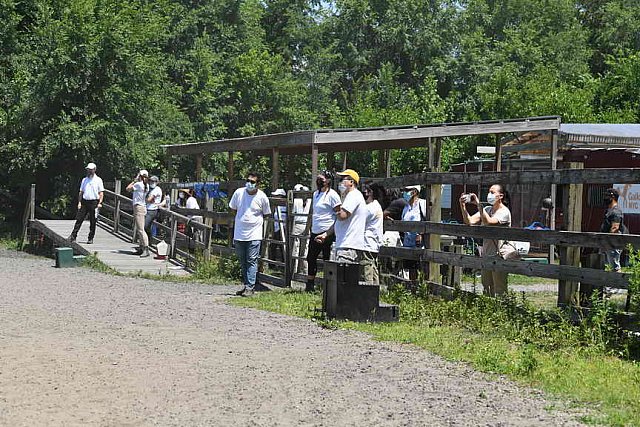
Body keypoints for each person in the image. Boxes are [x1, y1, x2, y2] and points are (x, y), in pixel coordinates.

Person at [460, 184, 512, 296]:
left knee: (500, 288)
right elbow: (469, 221)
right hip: (487, 254)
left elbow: (489, 222)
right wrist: (463, 206)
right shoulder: (487, 209)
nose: (489, 194)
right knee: (487, 287)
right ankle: (490, 310)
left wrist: (478, 204)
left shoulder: (504, 212)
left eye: (492, 192)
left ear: (501, 196)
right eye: (489, 192)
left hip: (500, 255)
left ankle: (503, 311)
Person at [229, 172, 271, 296]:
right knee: (243, 261)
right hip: (239, 233)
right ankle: (246, 284)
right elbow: (233, 208)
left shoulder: (262, 197)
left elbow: (267, 213)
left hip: (254, 233)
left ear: (258, 184)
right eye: (248, 180)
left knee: (251, 260)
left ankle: (250, 287)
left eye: (252, 182)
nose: (249, 183)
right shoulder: (238, 193)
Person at [306, 171, 341, 292]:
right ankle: (310, 285)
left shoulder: (333, 195)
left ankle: (328, 287)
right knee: (311, 257)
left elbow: (338, 214)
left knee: (327, 259)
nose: (319, 181)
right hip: (315, 231)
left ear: (328, 181)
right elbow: (313, 212)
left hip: (328, 231)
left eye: (322, 179)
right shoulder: (315, 194)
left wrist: (329, 233)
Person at [332, 169, 367, 264]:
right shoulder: (351, 196)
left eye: (343, 179)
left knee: (343, 278)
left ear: (351, 182)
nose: (340, 183)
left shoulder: (353, 195)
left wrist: (334, 207)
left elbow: (342, 215)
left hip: (348, 246)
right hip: (346, 245)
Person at [68, 162, 104, 244]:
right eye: (88, 170)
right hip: (85, 202)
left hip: (94, 202)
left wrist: (100, 203)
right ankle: (73, 236)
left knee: (93, 221)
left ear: (94, 170)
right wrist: (79, 202)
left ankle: (90, 238)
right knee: (79, 219)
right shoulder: (84, 180)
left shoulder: (98, 180)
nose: (89, 171)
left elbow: (101, 193)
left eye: (91, 170)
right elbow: (81, 192)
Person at [400, 185, 428, 280]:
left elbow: (428, 221)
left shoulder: (422, 204)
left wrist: (420, 234)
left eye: (407, 190)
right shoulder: (406, 207)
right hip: (407, 243)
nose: (405, 193)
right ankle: (413, 289)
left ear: (415, 192)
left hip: (420, 243)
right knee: (411, 269)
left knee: (422, 269)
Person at [362, 182, 385, 284]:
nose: (364, 192)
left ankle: (368, 292)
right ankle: (375, 292)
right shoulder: (377, 206)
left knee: (367, 269)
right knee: (373, 267)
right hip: (374, 242)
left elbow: (359, 220)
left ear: (371, 192)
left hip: (368, 242)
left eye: (366, 190)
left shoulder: (370, 208)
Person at [601, 188, 626, 272]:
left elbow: (615, 229)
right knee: (607, 267)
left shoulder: (616, 211)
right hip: (607, 243)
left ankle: (616, 284)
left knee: (614, 268)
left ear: (613, 197)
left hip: (613, 244)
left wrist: (609, 243)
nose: (605, 198)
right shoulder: (609, 210)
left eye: (607, 196)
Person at [126, 170, 150, 257]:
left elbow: (128, 188)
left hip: (138, 207)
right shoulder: (146, 185)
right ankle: (141, 248)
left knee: (141, 230)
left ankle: (146, 249)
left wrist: (134, 180)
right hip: (142, 207)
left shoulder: (138, 184)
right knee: (140, 229)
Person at [291, 184, 311, 275]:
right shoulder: (311, 201)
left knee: (296, 248)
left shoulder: (296, 201)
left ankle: (295, 271)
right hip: (305, 225)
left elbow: (292, 214)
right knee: (303, 249)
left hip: (298, 224)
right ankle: (302, 271)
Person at [270, 188, 287, 262]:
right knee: (276, 246)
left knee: (279, 246)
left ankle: (282, 263)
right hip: (277, 228)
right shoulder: (277, 206)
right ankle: (274, 263)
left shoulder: (284, 206)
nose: (274, 197)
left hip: (282, 228)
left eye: (276, 195)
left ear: (281, 196)